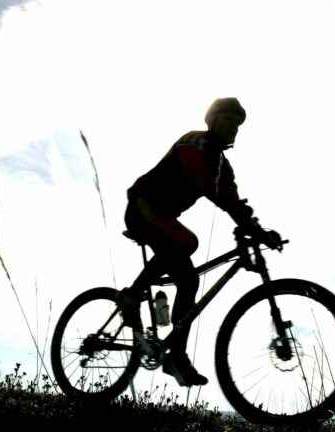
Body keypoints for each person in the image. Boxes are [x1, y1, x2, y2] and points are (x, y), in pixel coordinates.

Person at [117, 97, 281, 387]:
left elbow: (232, 198)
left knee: (189, 280)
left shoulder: (222, 165)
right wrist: (243, 221)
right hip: (142, 207)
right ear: (212, 120)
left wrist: (256, 228)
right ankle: (132, 295)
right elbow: (207, 184)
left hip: (164, 218)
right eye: (228, 120)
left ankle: (175, 356)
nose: (234, 128)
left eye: (238, 124)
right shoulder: (194, 142)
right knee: (186, 242)